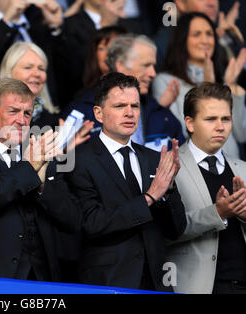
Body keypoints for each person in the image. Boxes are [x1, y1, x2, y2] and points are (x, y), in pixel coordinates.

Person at [0, 78, 80, 282]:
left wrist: (43, 186)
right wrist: (28, 167)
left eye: (27, 113)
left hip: (41, 280)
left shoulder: (44, 155)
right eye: (13, 111)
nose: (22, 120)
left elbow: (72, 219)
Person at [67, 72, 186, 291]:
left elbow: (176, 229)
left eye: (135, 105)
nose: (130, 113)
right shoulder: (78, 160)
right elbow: (91, 223)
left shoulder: (153, 159)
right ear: (99, 113)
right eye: (120, 106)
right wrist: (150, 197)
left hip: (157, 282)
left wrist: (167, 193)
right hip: (106, 282)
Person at [165, 82, 246, 294]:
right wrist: (218, 213)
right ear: (189, 123)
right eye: (211, 119)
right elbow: (166, 231)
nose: (220, 126)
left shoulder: (243, 169)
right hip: (197, 287)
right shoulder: (169, 167)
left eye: (226, 119)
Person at [152, 12, 246, 159]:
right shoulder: (166, 81)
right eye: (197, 34)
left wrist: (231, 86)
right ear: (182, 40)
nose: (205, 40)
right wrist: (208, 89)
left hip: (233, 167)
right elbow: (183, 132)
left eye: (209, 34)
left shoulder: (222, 81)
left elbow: (242, 135)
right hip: (196, 170)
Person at [0, 0, 64, 95]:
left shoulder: (37, 25)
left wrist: (55, 26)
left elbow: (65, 71)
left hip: (44, 105)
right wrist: (7, 20)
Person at [105, 34, 185, 150]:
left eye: (153, 66)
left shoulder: (163, 116)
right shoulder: (85, 113)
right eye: (146, 65)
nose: (153, 73)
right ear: (121, 65)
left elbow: (182, 161)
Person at [61, 26, 126, 139]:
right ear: (94, 55)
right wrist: (67, 148)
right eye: (102, 48)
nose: (108, 53)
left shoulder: (146, 99)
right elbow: (61, 151)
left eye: (115, 47)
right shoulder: (81, 102)